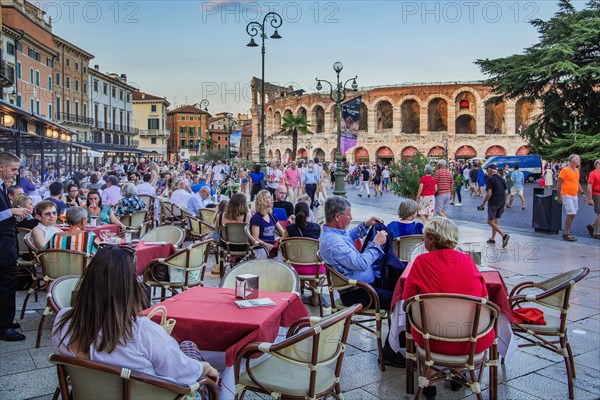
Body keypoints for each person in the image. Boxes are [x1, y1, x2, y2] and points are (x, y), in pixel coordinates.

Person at [52, 245, 219, 386]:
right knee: (191, 351)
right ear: (128, 287)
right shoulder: (140, 331)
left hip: (88, 393)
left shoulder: (63, 320)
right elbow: (180, 372)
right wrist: (205, 368)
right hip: (148, 393)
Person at [402, 217, 493, 400]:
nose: (424, 240)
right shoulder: (467, 260)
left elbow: (408, 300)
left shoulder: (420, 262)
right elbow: (485, 299)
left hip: (432, 341)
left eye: (426, 236)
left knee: (428, 322)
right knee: (462, 321)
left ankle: (430, 382)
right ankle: (457, 375)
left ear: (432, 239)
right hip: (469, 341)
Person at [319, 196, 405, 367]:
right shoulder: (333, 243)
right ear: (338, 216)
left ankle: (400, 340)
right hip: (357, 292)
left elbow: (349, 237)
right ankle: (391, 349)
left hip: (364, 287)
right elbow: (361, 263)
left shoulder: (335, 234)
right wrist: (376, 243)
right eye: (349, 215)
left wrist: (365, 225)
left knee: (400, 285)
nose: (351, 218)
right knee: (400, 299)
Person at [0, 152, 30, 341]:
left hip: (7, 242)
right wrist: (11, 210)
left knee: (7, 283)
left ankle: (6, 320)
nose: (15, 173)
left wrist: (14, 216)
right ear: (1, 167)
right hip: (2, 244)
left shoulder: (3, 187)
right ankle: (4, 326)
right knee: (6, 283)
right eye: (13, 169)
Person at [557, 154, 587, 241]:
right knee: (571, 213)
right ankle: (566, 233)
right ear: (573, 160)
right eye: (578, 159)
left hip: (574, 195)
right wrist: (559, 196)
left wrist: (582, 193)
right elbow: (559, 183)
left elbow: (577, 182)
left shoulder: (577, 171)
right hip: (566, 194)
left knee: (573, 213)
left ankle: (566, 231)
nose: (579, 161)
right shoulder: (565, 170)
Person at [478, 164, 510, 248]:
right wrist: (504, 204)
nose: (487, 172)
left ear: (490, 170)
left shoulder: (490, 179)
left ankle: (504, 235)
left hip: (493, 202)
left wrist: (483, 203)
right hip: (501, 202)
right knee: (495, 221)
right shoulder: (501, 179)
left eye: (487, 170)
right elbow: (506, 192)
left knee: (490, 221)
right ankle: (492, 238)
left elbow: (489, 193)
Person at [250, 190, 285, 257]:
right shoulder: (256, 217)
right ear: (262, 201)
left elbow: (282, 232)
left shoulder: (272, 216)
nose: (272, 199)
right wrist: (267, 245)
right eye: (269, 198)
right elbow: (255, 238)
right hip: (261, 247)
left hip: (273, 246)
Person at [587, 160, 600, 239]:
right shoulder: (593, 173)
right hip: (597, 194)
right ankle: (597, 233)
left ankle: (592, 226)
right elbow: (589, 186)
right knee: (599, 213)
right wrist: (590, 198)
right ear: (597, 165)